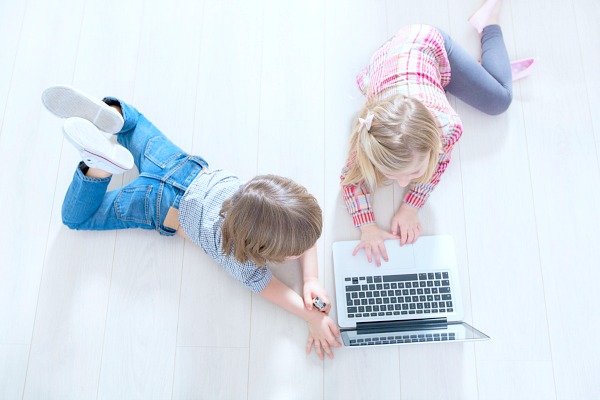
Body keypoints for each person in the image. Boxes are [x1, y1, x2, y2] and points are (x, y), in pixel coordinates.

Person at [41, 85, 341, 359]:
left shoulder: (255, 196)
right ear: (258, 250)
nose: (303, 251)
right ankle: (99, 167)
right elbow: (272, 289)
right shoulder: (239, 259)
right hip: (157, 204)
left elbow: (302, 231)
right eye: (295, 253)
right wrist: (311, 316)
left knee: (132, 125)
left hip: (178, 164)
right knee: (77, 217)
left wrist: (311, 279)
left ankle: (113, 116)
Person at [340, 0, 535, 266]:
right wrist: (367, 226)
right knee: (491, 89)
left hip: (429, 45)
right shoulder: (371, 135)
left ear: (435, 145)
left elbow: (440, 162)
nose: (401, 183)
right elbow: (350, 179)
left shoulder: (448, 127)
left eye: (413, 172)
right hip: (392, 57)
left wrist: (411, 207)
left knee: (500, 100)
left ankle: (488, 23)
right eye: (392, 173)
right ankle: (484, 74)